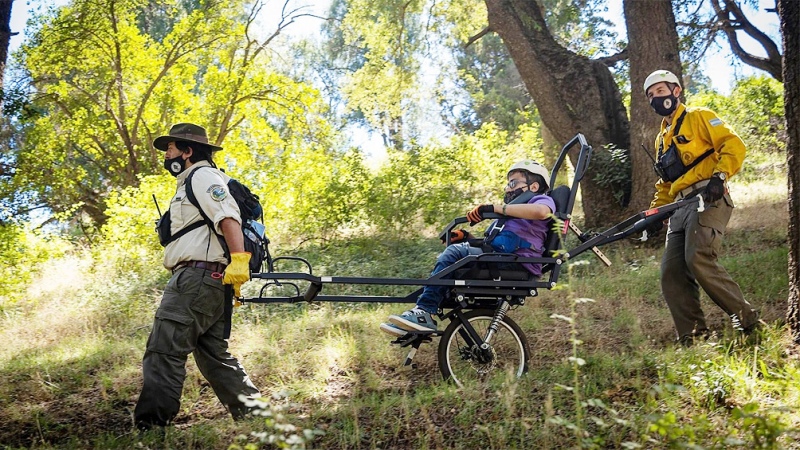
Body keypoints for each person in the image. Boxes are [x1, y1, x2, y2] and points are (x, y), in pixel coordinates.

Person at [134, 123, 261, 430]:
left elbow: (227, 217)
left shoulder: (202, 176)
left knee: (164, 351)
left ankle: (150, 430)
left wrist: (240, 259)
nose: (167, 155)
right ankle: (258, 420)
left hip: (195, 280)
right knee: (214, 357)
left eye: (171, 149)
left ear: (187, 151)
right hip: (210, 281)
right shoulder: (192, 182)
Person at [642, 70, 760, 346]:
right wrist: (655, 214)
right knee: (671, 273)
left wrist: (720, 177)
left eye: (660, 91)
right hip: (680, 207)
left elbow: (733, 144)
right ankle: (693, 338)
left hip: (708, 196)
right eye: (650, 95)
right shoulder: (661, 139)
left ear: (676, 91)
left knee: (698, 257)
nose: (656, 98)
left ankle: (747, 319)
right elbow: (664, 184)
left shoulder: (699, 117)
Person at [380, 160, 556, 336]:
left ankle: (424, 311)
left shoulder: (540, 200)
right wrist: (467, 237)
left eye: (513, 183)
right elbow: (492, 246)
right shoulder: (510, 215)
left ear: (533, 186)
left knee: (455, 253)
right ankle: (418, 320)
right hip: (501, 258)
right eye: (506, 184)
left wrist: (495, 208)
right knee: (454, 255)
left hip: (518, 263)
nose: (507, 188)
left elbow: (542, 212)